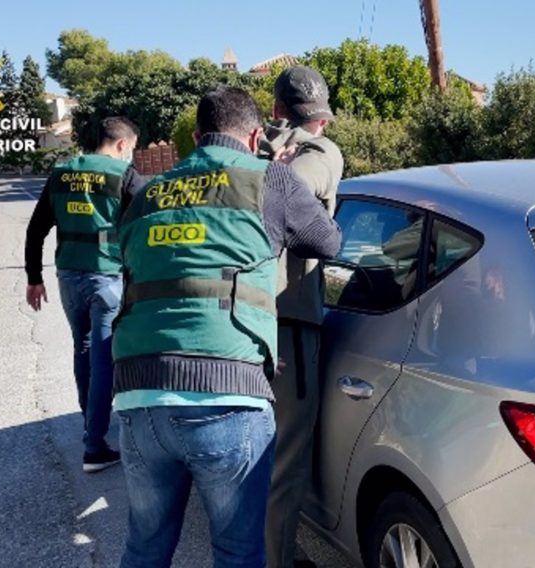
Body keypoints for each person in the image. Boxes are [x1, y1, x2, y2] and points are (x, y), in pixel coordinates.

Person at [112, 86, 341, 568]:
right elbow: (328, 243)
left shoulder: (146, 191)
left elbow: (129, 259)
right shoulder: (270, 179)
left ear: (196, 137)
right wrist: (282, 174)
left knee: (145, 547)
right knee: (238, 552)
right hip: (227, 395)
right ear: (256, 134)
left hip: (139, 394)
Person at [257, 66, 343, 568]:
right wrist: (280, 171)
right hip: (287, 323)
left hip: (239, 319)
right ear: (322, 118)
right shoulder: (318, 154)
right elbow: (286, 191)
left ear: (274, 112)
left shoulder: (246, 150)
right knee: (285, 460)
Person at [24, 116, 143, 473]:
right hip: (106, 278)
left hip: (68, 277)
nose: (131, 157)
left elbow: (36, 229)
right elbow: (146, 225)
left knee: (84, 347)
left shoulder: (61, 172)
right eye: (132, 150)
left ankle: (90, 424)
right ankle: (94, 446)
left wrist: (34, 278)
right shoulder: (122, 175)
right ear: (122, 145)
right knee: (105, 357)